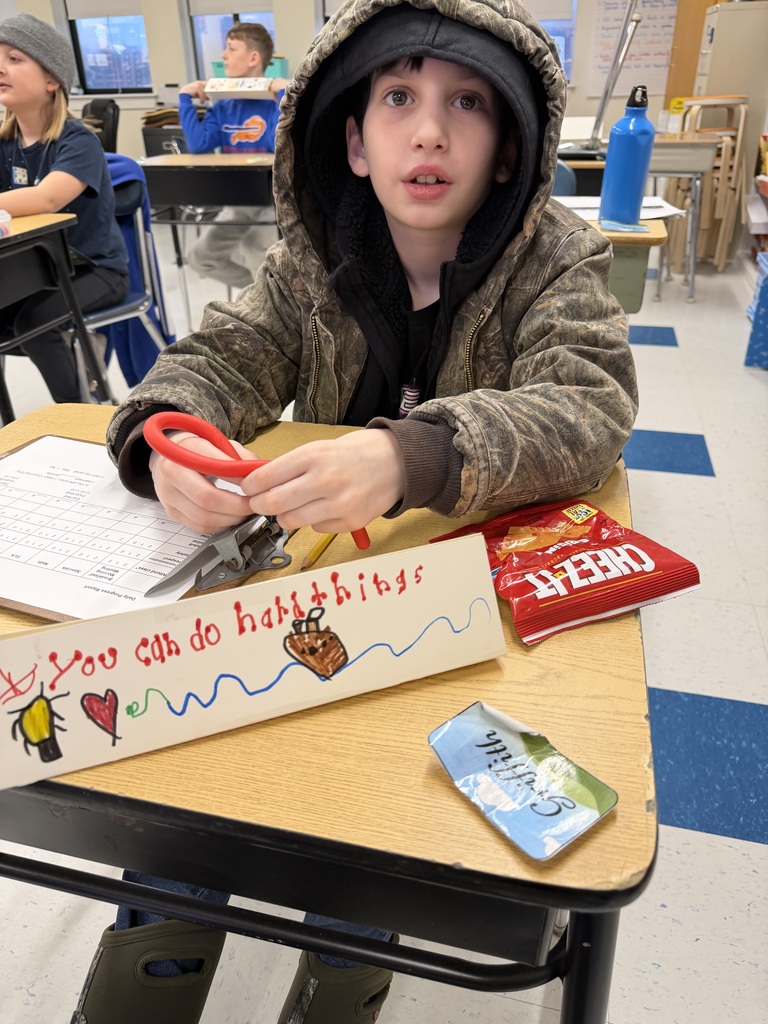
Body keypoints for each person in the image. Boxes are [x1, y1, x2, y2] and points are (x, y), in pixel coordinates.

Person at [74, 1, 639, 1022]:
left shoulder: (557, 260)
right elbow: (213, 360)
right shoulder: (309, 260)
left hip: (470, 633)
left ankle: (345, 972)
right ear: (354, 136)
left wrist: (409, 456)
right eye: (398, 99)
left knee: (368, 829)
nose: (429, 131)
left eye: (467, 103)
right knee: (180, 805)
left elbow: (590, 403)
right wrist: (166, 441)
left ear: (509, 148)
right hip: (317, 606)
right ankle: (147, 967)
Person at [0, 13, 129, 405]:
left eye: (15, 58)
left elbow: (47, 198)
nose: (0, 67)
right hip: (38, 268)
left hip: (96, 269)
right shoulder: (5, 142)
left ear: (52, 80)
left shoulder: (78, 140)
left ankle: (78, 416)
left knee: (36, 323)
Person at [178, 21, 288, 290]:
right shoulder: (222, 104)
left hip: (270, 201)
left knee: (255, 250)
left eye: (231, 48)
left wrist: (285, 94)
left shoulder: (275, 101)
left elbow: (280, 145)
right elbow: (199, 145)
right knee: (200, 258)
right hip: (237, 199)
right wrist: (185, 98)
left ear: (253, 58)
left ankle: (266, 305)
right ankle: (262, 299)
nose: (223, 56)